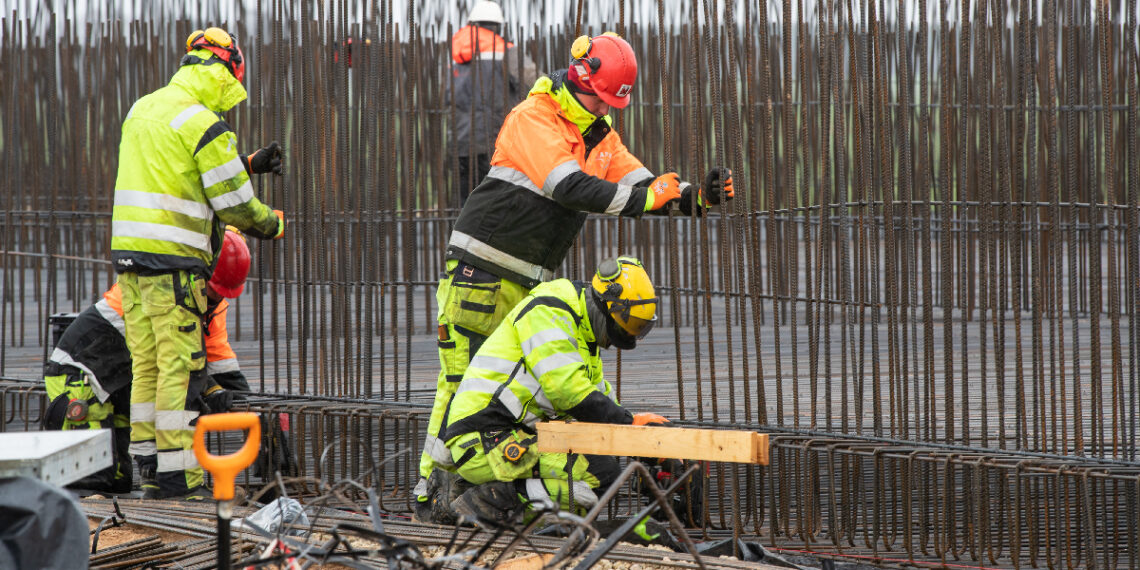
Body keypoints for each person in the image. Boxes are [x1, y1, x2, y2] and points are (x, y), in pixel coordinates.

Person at [415, 31, 734, 518]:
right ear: (578, 78)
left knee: (509, 384)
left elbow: (640, 184)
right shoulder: (534, 117)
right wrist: (647, 199)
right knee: (463, 382)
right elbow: (568, 186)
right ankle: (430, 495)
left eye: (612, 103)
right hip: (483, 269)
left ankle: (480, 492)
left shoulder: (601, 135)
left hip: (527, 277)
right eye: (599, 98)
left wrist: (694, 196)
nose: (605, 110)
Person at [110, 27, 285, 501]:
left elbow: (178, 174)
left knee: (145, 365)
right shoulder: (205, 122)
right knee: (178, 369)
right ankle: (178, 478)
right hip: (174, 264)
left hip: (130, 261)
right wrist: (272, 224)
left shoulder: (143, 108)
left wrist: (247, 161)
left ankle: (148, 468)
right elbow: (234, 205)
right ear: (227, 72)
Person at [433, 256, 670, 524]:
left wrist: (648, 443)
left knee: (600, 471)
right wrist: (631, 425)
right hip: (485, 437)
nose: (619, 339)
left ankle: (479, 490)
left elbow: (600, 404)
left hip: (514, 434)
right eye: (627, 327)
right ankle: (484, 501)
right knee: (596, 480)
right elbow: (569, 392)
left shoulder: (583, 334)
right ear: (606, 306)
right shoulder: (549, 310)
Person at [42, 229, 253, 495]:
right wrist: (210, 388)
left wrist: (249, 406)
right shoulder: (156, 296)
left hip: (119, 386)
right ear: (198, 275)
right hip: (80, 380)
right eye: (213, 291)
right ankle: (169, 484)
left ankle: (159, 480)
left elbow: (217, 354)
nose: (217, 298)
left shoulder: (206, 301)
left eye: (222, 293)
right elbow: (170, 359)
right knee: (92, 481)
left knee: (118, 480)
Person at [448, 0, 538, 205]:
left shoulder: (455, 53)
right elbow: (535, 82)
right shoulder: (505, 51)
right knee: (499, 205)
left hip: (460, 142)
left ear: (471, 23)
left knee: (468, 207)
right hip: (496, 142)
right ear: (498, 26)